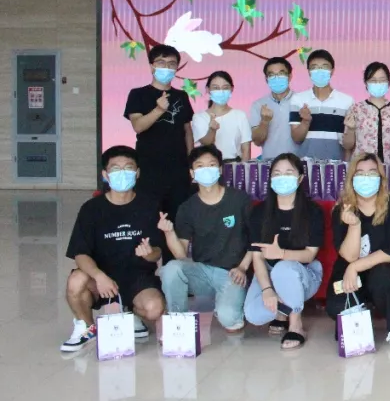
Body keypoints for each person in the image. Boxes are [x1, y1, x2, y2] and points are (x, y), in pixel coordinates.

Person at [62, 146, 165, 351]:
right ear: (105, 174)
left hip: (137, 276)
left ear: (137, 173)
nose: (122, 173)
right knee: (76, 281)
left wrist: (149, 254)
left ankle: (130, 312)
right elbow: (80, 253)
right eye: (115, 169)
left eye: (128, 168)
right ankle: (87, 327)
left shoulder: (149, 206)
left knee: (154, 308)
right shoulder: (91, 209)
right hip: (100, 276)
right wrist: (99, 276)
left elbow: (158, 252)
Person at [158, 146, 253, 334]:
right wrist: (169, 233)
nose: (206, 170)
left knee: (230, 321)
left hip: (233, 273)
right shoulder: (187, 208)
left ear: (220, 169)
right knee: (171, 269)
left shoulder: (239, 199)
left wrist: (243, 267)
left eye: (211, 165)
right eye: (200, 166)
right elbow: (181, 254)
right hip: (202, 272)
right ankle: (178, 323)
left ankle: (227, 303)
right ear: (192, 173)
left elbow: (256, 239)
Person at [326, 152, 390, 351]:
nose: (366, 178)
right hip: (349, 271)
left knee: (384, 276)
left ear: (381, 178)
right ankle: (360, 316)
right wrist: (354, 225)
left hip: (383, 269)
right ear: (352, 178)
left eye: (372, 173)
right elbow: (349, 256)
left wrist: (355, 267)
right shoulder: (342, 210)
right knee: (336, 306)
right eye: (360, 173)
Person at [243, 153, 325, 350]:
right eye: (277, 174)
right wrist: (267, 290)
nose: (282, 178)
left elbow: (309, 255)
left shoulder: (313, 211)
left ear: (300, 178)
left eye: (289, 173)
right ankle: (283, 309)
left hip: (304, 273)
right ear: (270, 178)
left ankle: (296, 324)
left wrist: (281, 254)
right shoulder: (259, 212)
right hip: (269, 271)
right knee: (253, 314)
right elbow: (257, 257)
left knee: (284, 269)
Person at [122, 44, 194, 218]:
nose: (166, 67)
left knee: (178, 217)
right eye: (161, 62)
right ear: (152, 66)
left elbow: (187, 131)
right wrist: (159, 110)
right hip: (149, 168)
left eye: (171, 63)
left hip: (178, 169)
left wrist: (191, 160)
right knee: (149, 216)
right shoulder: (138, 94)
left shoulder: (181, 96)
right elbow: (138, 126)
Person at [289, 49, 354, 161]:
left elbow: (349, 145)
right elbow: (296, 138)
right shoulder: (298, 99)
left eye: (324, 67)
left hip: (336, 165)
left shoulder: (347, 101)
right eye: (314, 67)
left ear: (332, 71)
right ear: (309, 72)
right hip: (306, 165)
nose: (319, 71)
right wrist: (305, 121)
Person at [343, 62, 390, 164]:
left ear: (388, 82)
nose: (378, 84)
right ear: (366, 83)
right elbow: (347, 146)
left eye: (382, 80)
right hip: (362, 168)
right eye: (373, 81)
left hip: (389, 168)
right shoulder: (356, 109)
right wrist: (350, 130)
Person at [192, 70, 251, 161]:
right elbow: (206, 144)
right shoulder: (199, 117)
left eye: (225, 87)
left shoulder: (240, 115)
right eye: (216, 88)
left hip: (235, 164)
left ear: (232, 89)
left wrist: (244, 168)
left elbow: (246, 149)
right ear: (208, 89)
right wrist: (212, 130)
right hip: (210, 165)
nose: (221, 91)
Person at [250, 57, 301, 160]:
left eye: (281, 74)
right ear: (266, 79)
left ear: (290, 76)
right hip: (269, 163)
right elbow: (257, 141)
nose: (276, 78)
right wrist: (264, 121)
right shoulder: (258, 105)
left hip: (297, 163)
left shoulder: (302, 102)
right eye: (271, 75)